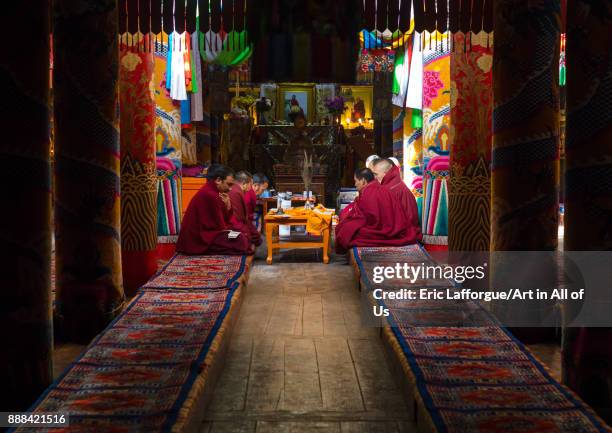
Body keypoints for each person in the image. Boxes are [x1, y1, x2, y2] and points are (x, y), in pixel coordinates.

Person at [335, 166, 421, 253]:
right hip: (396, 229)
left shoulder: (368, 192)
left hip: (381, 230)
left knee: (346, 229)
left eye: (356, 181)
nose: (355, 184)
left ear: (363, 181)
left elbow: (365, 218)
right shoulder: (384, 188)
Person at [177, 164, 253, 255]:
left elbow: (223, 221)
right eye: (228, 184)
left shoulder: (214, 192)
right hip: (199, 238)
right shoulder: (211, 194)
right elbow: (220, 226)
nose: (230, 189)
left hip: (206, 234)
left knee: (241, 236)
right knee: (240, 241)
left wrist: (228, 206)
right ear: (218, 180)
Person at [371, 158, 422, 242]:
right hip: (405, 228)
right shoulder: (394, 183)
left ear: (385, 173)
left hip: (403, 232)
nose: (375, 178)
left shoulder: (390, 189)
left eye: (376, 174)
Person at [229, 171, 262, 246]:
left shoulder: (237, 190)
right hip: (232, 226)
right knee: (245, 240)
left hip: (236, 223)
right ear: (244, 184)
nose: (251, 188)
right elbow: (240, 219)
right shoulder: (236, 192)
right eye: (250, 185)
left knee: (251, 234)